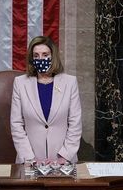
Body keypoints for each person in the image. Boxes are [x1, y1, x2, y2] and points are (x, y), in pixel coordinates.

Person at [10, 36, 82, 164]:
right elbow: (16, 124)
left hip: (63, 161)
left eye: (45, 55)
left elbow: (75, 124)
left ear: (53, 56)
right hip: (30, 162)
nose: (40, 59)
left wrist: (65, 156)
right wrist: (30, 158)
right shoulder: (20, 83)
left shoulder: (69, 82)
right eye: (36, 56)